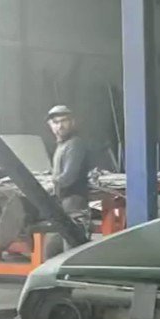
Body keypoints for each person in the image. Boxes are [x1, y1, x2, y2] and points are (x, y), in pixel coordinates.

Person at [44, 105, 92, 257]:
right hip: (60, 207)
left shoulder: (75, 144)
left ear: (73, 122)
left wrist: (49, 185)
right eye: (55, 122)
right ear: (50, 125)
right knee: (52, 251)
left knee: (71, 253)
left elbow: (68, 177)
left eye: (64, 121)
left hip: (74, 206)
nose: (60, 126)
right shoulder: (61, 145)